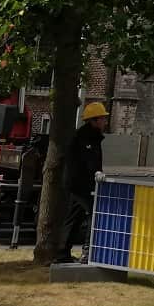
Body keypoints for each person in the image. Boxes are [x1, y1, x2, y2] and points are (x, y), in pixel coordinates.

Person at [56, 101, 108, 264]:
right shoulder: (85, 137)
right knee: (94, 212)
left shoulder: (91, 136)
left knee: (73, 217)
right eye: (102, 119)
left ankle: (62, 253)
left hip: (77, 184)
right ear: (94, 120)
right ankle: (87, 251)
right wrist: (96, 172)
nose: (105, 122)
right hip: (80, 185)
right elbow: (88, 160)